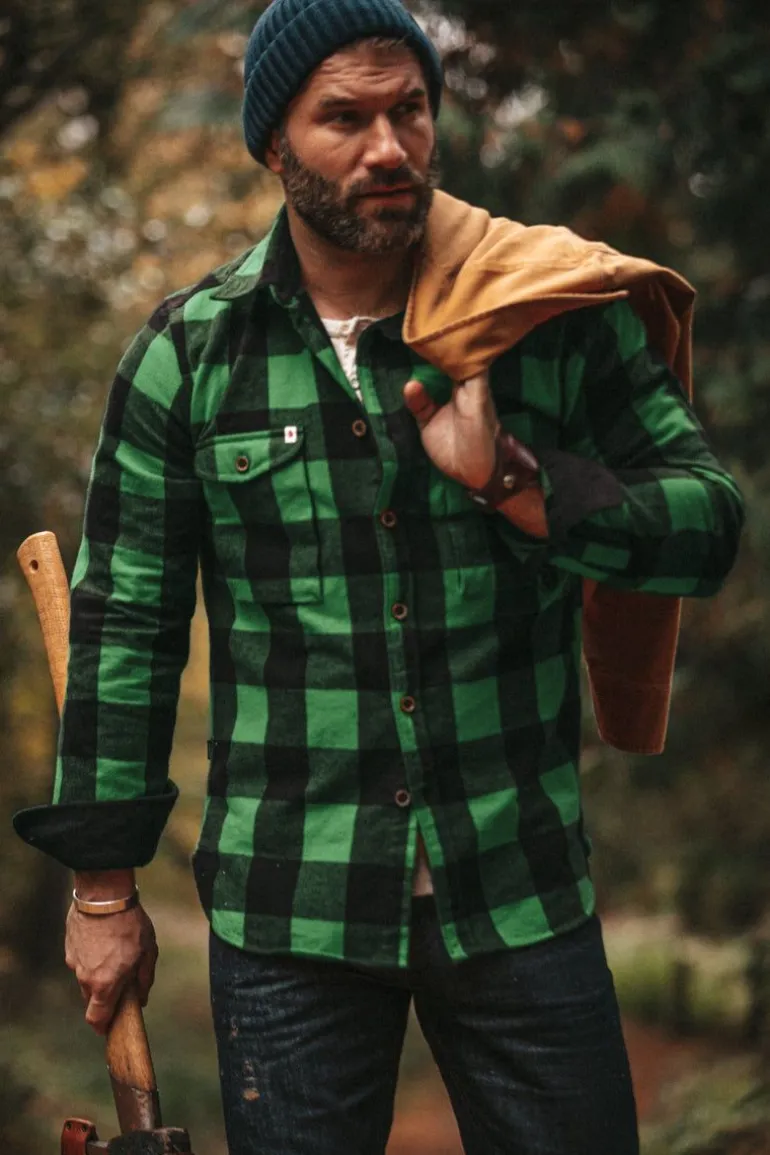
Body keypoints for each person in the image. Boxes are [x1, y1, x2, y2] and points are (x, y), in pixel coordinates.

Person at [14, 1, 745, 1152]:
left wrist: (517, 482)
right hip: (287, 914)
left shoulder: (546, 318)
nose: (389, 146)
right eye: (343, 119)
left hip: (517, 889)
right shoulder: (188, 354)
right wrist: (102, 891)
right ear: (273, 144)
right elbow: (125, 626)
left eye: (408, 109)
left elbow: (706, 525)